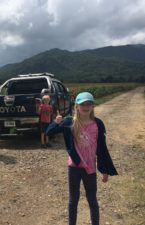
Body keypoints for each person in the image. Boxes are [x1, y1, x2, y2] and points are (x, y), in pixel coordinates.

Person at [46, 92, 118, 225]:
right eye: (82, 104)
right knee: (73, 200)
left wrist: (105, 170)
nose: (86, 106)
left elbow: (102, 149)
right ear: (77, 106)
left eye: (89, 104)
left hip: (90, 168)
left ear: (92, 106)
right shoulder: (69, 122)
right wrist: (55, 123)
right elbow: (49, 132)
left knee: (92, 200)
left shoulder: (98, 124)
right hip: (74, 167)